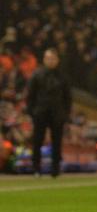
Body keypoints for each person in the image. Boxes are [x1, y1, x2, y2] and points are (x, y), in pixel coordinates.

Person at [26, 48, 71, 178]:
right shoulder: (37, 74)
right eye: (48, 58)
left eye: (53, 58)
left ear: (57, 60)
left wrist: (65, 114)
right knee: (37, 141)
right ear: (44, 59)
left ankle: (55, 169)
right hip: (40, 113)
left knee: (57, 142)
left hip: (57, 114)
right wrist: (31, 112)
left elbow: (67, 97)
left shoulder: (63, 77)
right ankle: (36, 168)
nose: (50, 61)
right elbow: (30, 95)